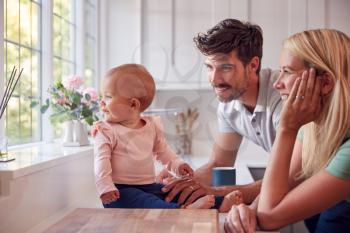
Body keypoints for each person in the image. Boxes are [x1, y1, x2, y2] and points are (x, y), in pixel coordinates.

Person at [225, 29, 350, 233]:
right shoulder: (312, 126)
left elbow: (269, 217)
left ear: (325, 82)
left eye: (288, 71)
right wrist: (246, 211)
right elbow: (285, 184)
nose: (277, 83)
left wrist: (287, 127)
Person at [161, 18, 282, 206]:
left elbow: (292, 177)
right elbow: (219, 164)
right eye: (209, 67)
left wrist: (218, 192)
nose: (215, 79)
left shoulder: (281, 94)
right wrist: (182, 183)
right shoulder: (229, 105)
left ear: (252, 65)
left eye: (225, 67)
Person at [93, 63, 244, 212]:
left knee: (173, 191)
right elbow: (101, 162)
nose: (101, 103)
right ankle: (181, 211)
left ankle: (219, 203)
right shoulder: (105, 130)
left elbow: (163, 152)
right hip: (119, 192)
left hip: (149, 186)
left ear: (133, 104)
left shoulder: (151, 126)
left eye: (108, 97)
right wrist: (105, 187)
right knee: (147, 202)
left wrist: (178, 165)